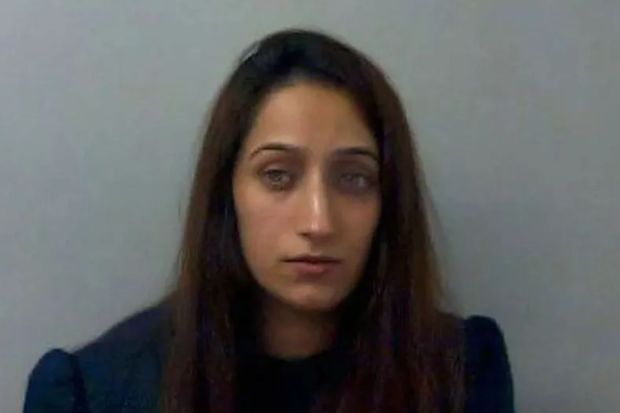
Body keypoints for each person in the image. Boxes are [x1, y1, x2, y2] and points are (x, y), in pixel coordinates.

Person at [23, 28, 514, 413]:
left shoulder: (460, 374)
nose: (318, 221)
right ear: (227, 191)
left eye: (355, 179)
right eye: (278, 175)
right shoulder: (93, 392)